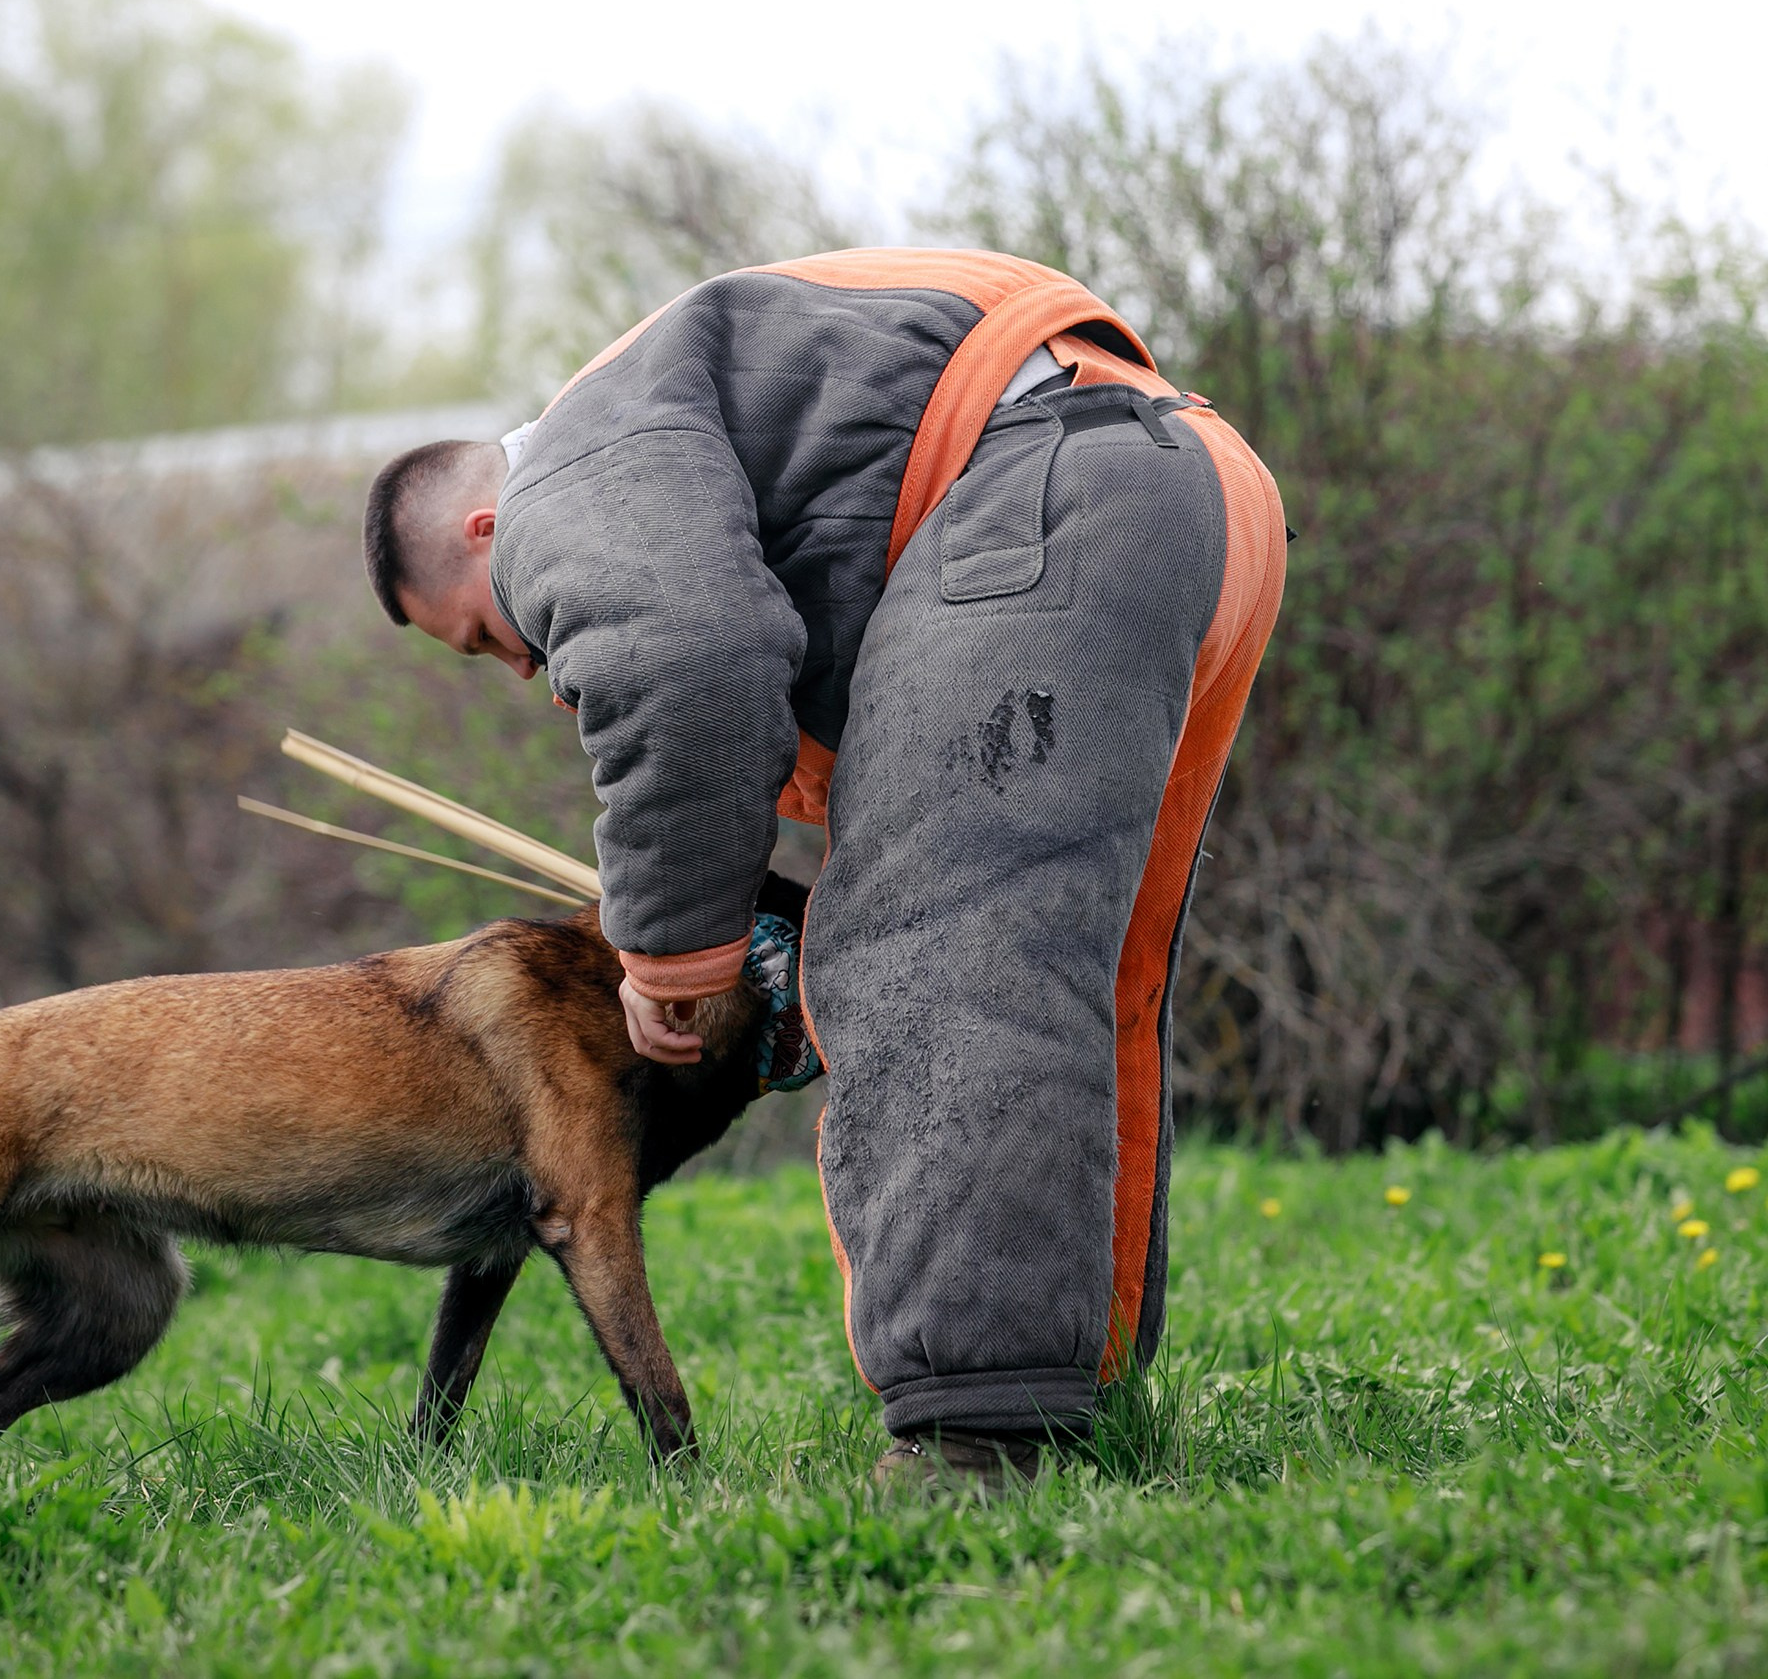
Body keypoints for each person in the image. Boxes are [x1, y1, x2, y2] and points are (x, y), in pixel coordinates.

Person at [360, 249, 1285, 1495]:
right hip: (1179, 484)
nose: (518, 666)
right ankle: (1068, 1401)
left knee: (934, 946)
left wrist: (669, 957)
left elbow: (686, 667)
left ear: (486, 529)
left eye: (481, 634)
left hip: (1046, 488)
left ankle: (982, 1451)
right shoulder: (654, 414)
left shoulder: (565, 479)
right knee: (1077, 969)